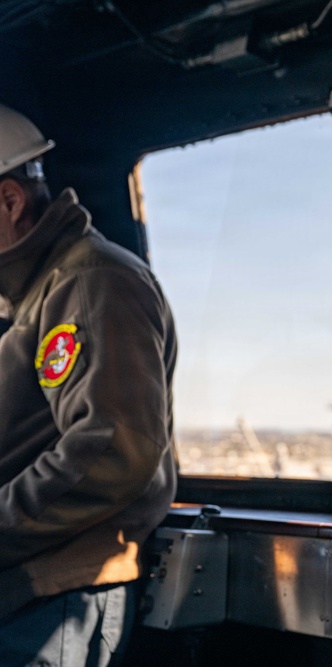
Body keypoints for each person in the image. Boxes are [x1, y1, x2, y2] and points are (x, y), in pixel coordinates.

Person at [0, 103, 177, 666]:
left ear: (9, 201)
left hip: (59, 593)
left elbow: (108, 451)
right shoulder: (35, 294)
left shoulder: (92, 282)